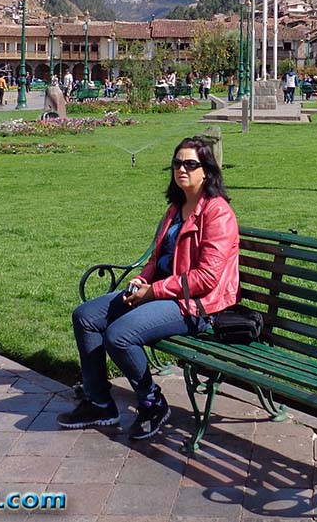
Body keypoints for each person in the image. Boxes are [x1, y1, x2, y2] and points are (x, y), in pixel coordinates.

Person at [59, 137, 239, 441]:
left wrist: (152, 292)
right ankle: (100, 402)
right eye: (177, 163)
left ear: (206, 171)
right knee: (86, 316)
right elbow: (157, 259)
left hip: (197, 305)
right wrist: (143, 280)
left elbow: (206, 278)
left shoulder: (217, 214)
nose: (182, 169)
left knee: (120, 335)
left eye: (190, 164)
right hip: (162, 291)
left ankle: (151, 401)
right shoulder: (175, 208)